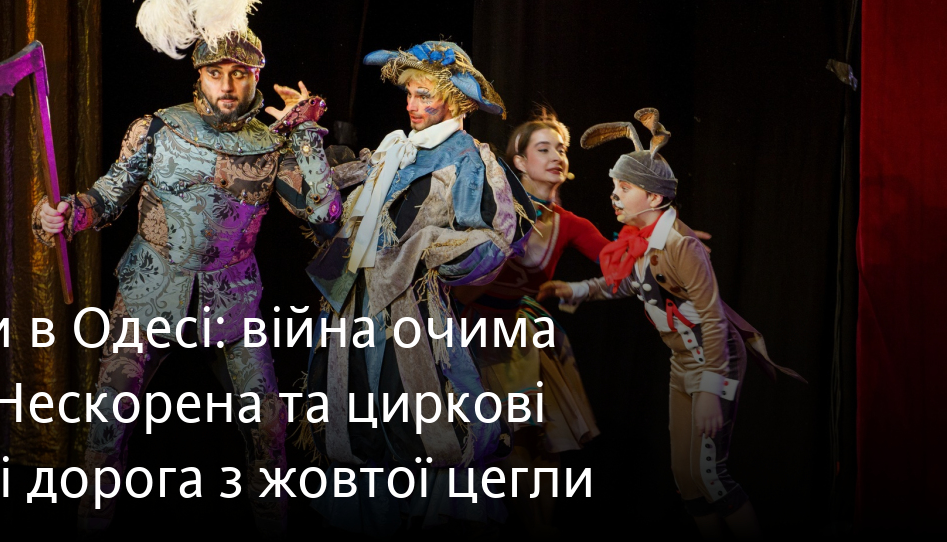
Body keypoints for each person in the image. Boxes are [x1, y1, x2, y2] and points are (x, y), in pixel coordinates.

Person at [34, 27, 340, 533]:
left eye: (239, 74)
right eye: (216, 73)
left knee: (269, 425)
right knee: (108, 418)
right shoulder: (158, 128)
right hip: (150, 288)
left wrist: (304, 132)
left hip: (233, 300)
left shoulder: (272, 144)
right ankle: (91, 527)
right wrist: (68, 213)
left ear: (256, 77)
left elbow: (325, 215)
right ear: (199, 75)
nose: (227, 86)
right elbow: (108, 194)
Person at [300, 40, 535, 535]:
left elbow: (497, 236)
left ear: (455, 99)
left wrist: (427, 249)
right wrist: (304, 134)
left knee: (420, 425)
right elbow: (327, 205)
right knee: (355, 420)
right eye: (408, 93)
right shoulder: (394, 148)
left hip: (411, 309)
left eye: (423, 94)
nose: (411, 104)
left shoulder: (469, 159)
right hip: (352, 304)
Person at [537, 108, 803, 540]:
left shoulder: (680, 246)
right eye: (615, 187)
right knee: (686, 478)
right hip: (683, 363)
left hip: (714, 359)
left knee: (711, 475)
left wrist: (711, 389)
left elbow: (712, 317)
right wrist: (575, 289)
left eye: (624, 188)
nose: (614, 196)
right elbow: (629, 284)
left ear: (654, 198)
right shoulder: (640, 241)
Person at [452, 108, 604, 536]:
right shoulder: (490, 204)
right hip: (469, 333)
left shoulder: (569, 224)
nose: (557, 156)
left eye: (561, 149)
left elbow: (618, 262)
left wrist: (664, 236)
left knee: (535, 446)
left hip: (519, 338)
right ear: (519, 161)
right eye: (544, 149)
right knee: (482, 447)